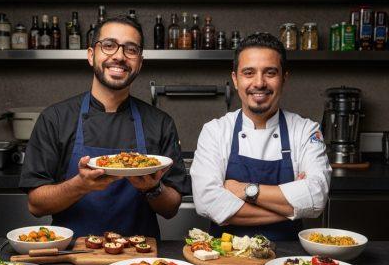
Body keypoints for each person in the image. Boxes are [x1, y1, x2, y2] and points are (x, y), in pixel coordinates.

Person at [19, 15, 188, 238]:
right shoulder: (56, 118)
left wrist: (152, 188)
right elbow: (36, 205)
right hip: (70, 257)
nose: (119, 56)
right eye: (108, 46)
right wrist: (80, 185)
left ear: (140, 62)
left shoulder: (160, 123)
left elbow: (171, 209)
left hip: (140, 262)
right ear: (91, 55)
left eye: (130, 49)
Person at [190, 33, 330, 240]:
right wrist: (291, 207)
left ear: (284, 78)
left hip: (289, 263)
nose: (259, 83)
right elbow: (207, 202)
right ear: (235, 80)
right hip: (225, 261)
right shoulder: (215, 131)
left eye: (270, 73)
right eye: (248, 73)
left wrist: (245, 190)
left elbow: (316, 199)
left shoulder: (305, 130)